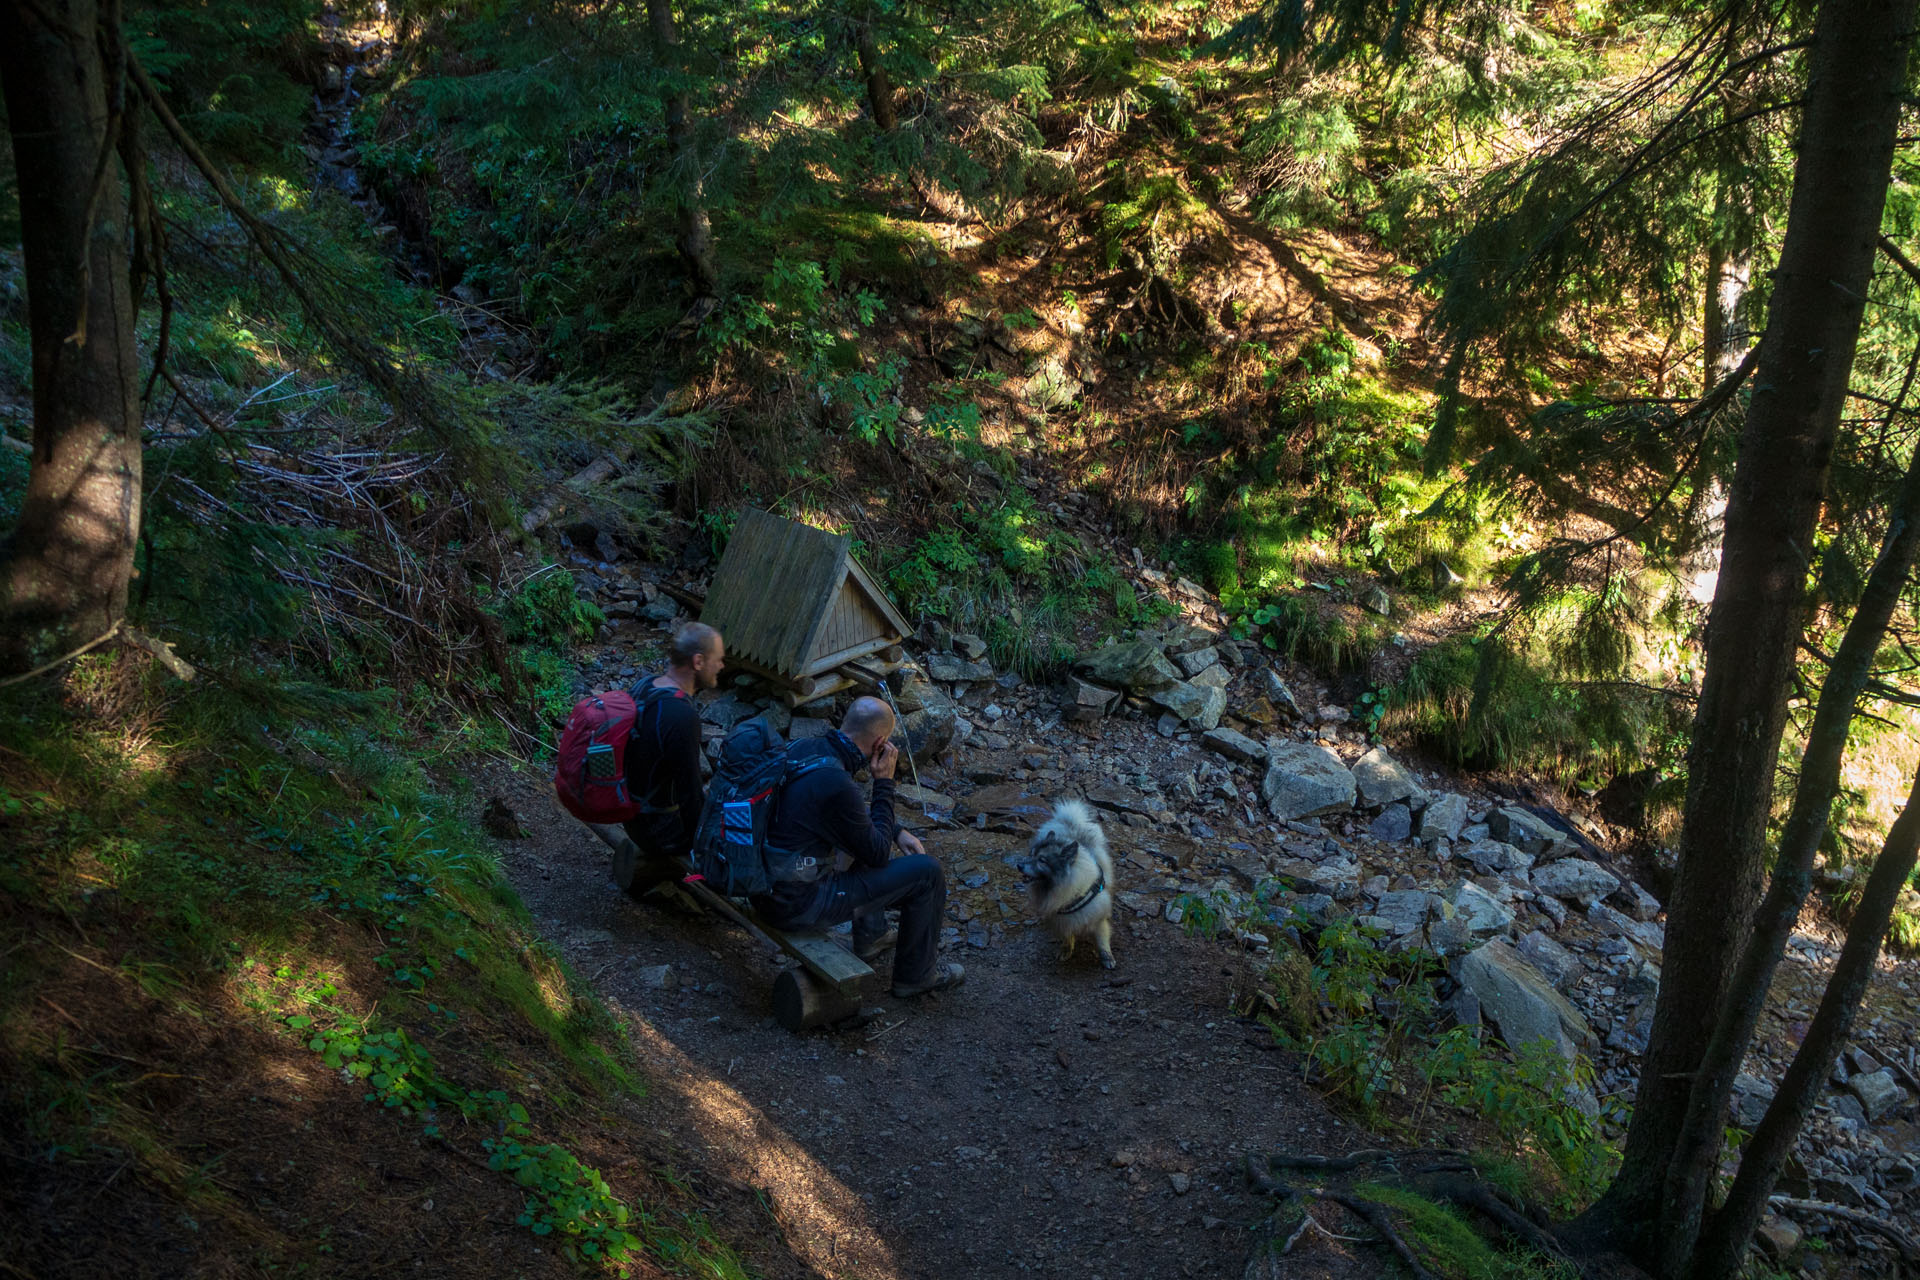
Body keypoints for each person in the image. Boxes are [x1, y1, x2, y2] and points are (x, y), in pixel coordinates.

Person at [755, 696, 963, 999]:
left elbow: (843, 818)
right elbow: (876, 851)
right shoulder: (837, 783)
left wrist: (896, 830)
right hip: (795, 905)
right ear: (881, 742)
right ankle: (916, 977)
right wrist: (884, 783)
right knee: (928, 872)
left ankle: (872, 936)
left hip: (765, 887)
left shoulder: (804, 749)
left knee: (861, 843)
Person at [617, 621, 725, 891]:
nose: (722, 666)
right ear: (698, 661)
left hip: (630, 814)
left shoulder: (644, 686)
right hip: (658, 831)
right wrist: (705, 847)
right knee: (733, 819)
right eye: (718, 660)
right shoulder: (681, 716)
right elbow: (690, 794)